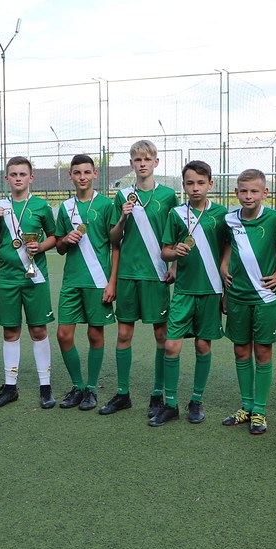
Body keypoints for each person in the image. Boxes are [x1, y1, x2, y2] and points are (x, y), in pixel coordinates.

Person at [99, 140, 179, 417]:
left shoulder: (169, 196)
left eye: (147, 159)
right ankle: (123, 393)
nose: (142, 164)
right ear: (131, 164)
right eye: (137, 160)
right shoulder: (122, 196)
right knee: (123, 333)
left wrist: (175, 266)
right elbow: (113, 239)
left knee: (161, 334)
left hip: (156, 275)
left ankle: (157, 394)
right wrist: (122, 219)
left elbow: (177, 232)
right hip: (128, 275)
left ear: (156, 162)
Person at [153, 160, 229, 426]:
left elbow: (229, 246)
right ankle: (170, 404)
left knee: (202, 345)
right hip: (183, 291)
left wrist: (223, 270)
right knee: (172, 346)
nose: (195, 188)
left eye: (200, 183)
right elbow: (164, 251)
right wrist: (175, 253)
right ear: (183, 185)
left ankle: (196, 400)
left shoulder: (222, 214)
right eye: (189, 183)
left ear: (211, 184)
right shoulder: (175, 214)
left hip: (210, 291)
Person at [218, 169, 276, 435]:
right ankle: (246, 406)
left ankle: (260, 409)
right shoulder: (229, 220)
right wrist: (224, 265)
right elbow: (226, 246)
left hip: (265, 297)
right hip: (237, 296)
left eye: (254, 191)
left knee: (263, 352)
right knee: (240, 351)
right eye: (244, 191)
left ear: (265, 193)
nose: (249, 196)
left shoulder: (275, 218)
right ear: (236, 193)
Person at [0, 156, 58, 409]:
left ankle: (45, 387)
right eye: (13, 174)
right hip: (7, 278)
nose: (18, 178)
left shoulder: (40, 206)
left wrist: (41, 245)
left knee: (38, 330)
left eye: (22, 174)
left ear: (30, 178)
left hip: (35, 277)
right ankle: (10, 387)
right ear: (6, 179)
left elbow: (55, 238)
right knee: (10, 331)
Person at [54, 154, 118, 411]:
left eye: (86, 172)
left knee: (95, 333)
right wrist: (65, 240)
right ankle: (77, 386)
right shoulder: (64, 207)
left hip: (98, 280)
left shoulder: (106, 205)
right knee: (63, 334)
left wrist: (112, 282)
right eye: (77, 172)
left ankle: (91, 389)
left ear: (95, 175)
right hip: (71, 280)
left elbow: (116, 246)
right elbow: (58, 247)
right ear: (70, 175)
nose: (82, 177)